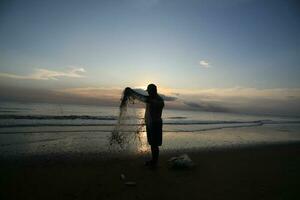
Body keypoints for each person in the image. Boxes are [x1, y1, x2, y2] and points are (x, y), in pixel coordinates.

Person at [124, 84, 164, 167]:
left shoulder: (159, 101)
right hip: (150, 124)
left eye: (149, 91)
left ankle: (154, 163)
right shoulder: (151, 98)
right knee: (152, 143)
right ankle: (153, 161)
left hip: (155, 124)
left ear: (154, 91)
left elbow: (144, 98)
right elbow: (144, 99)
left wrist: (131, 92)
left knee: (154, 145)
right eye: (148, 91)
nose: (148, 93)